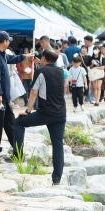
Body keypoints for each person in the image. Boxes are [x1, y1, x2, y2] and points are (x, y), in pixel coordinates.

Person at [14, 49, 66, 185]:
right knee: (58, 144)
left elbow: (33, 92)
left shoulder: (40, 71)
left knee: (18, 122)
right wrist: (39, 65)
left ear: (43, 58)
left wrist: (28, 111)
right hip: (60, 114)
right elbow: (48, 76)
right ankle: (56, 178)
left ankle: (17, 155)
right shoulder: (61, 71)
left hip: (45, 113)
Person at [0, 31, 30, 158]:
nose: (9, 42)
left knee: (9, 120)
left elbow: (12, 59)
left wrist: (25, 56)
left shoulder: (1, 54)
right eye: (8, 40)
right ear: (4, 42)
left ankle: (14, 146)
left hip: (3, 96)